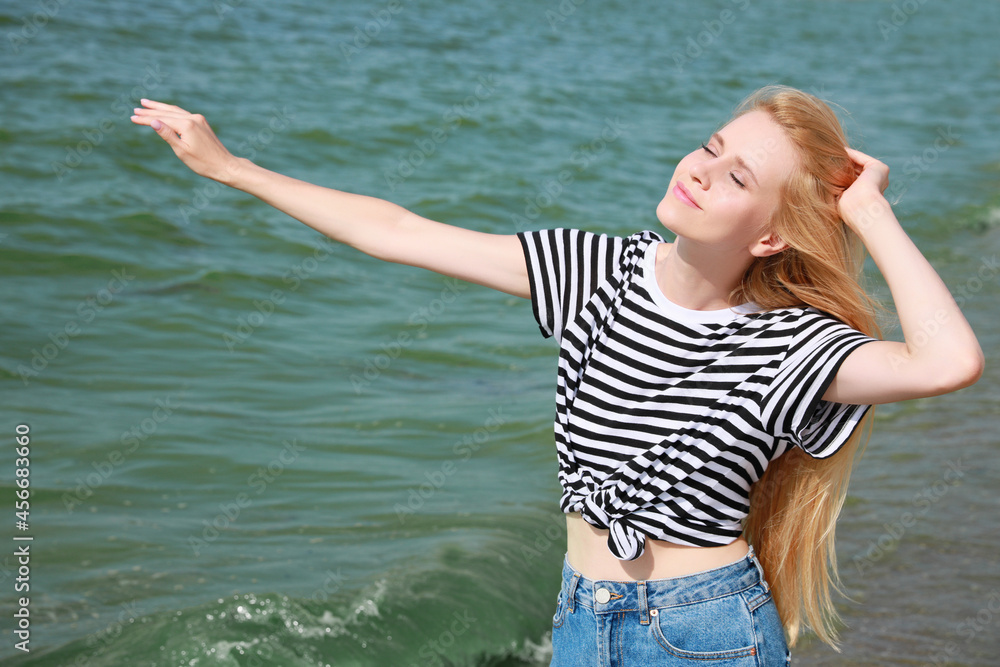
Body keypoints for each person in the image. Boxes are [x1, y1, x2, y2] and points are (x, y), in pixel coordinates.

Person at [131, 85, 983, 665]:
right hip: (580, 615)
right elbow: (396, 229)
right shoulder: (595, 271)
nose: (697, 168)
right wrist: (231, 167)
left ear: (769, 236)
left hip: (707, 632)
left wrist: (866, 210)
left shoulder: (790, 345)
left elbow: (947, 360)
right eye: (710, 146)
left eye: (735, 176)